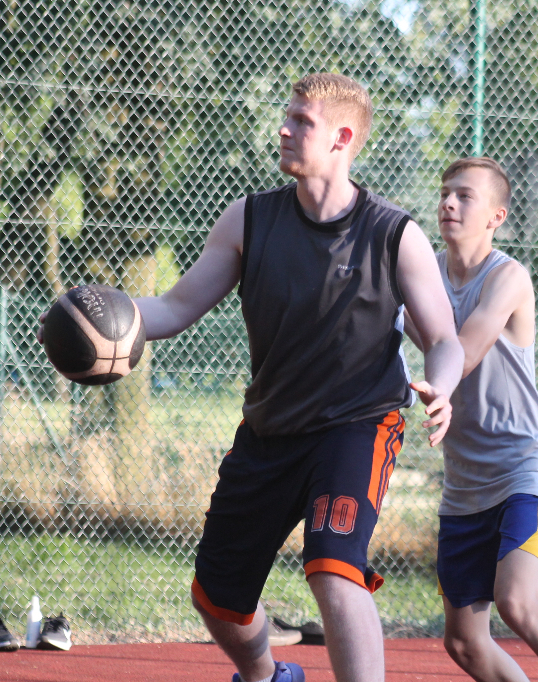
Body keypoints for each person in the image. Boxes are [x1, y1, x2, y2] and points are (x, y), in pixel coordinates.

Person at [41, 74, 463, 682]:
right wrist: (82, 317)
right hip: (270, 430)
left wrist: (442, 384)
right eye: (286, 116)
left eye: (302, 122)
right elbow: (175, 306)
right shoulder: (250, 219)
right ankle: (269, 676)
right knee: (218, 596)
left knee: (333, 567)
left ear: (343, 138)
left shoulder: (394, 234)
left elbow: (444, 337)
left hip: (358, 424)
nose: (285, 128)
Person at [404, 157, 538, 682]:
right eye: (445, 193)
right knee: (463, 641)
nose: (448, 203)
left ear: (496, 216)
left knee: (517, 602)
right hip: (465, 481)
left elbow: (465, 347)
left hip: (522, 463)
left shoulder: (508, 277)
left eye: (465, 196)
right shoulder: (423, 276)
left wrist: (437, 387)